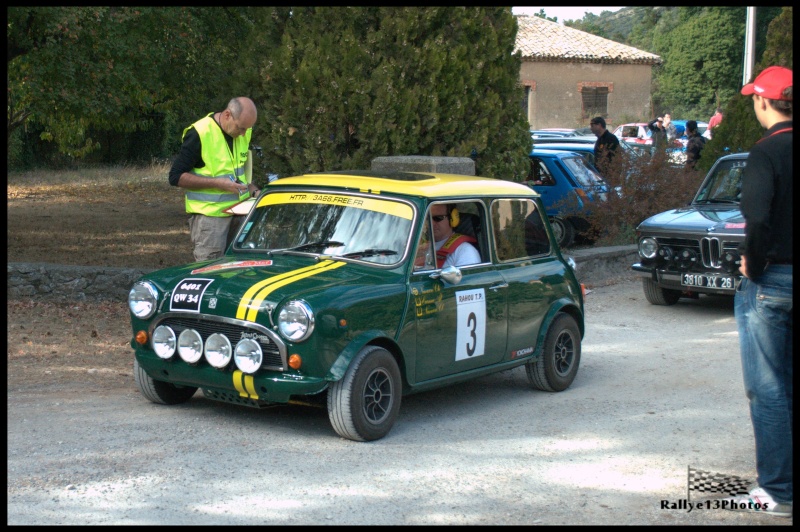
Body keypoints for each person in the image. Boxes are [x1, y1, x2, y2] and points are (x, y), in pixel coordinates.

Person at [723, 65, 793, 518]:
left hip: (774, 281)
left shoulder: (766, 152)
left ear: (762, 102)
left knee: (767, 389)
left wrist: (754, 262)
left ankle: (779, 491)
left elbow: (758, 219)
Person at [169, 97, 260, 262]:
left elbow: (241, 176)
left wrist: (255, 191)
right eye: (241, 128)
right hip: (210, 220)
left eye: (247, 129)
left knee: (238, 270)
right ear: (227, 115)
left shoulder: (243, 131)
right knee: (210, 271)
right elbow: (175, 177)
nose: (244, 134)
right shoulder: (200, 133)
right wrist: (218, 184)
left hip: (240, 214)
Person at [431, 204, 481, 268]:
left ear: (453, 218)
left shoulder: (465, 251)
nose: (431, 223)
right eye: (427, 218)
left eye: (438, 218)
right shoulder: (420, 246)